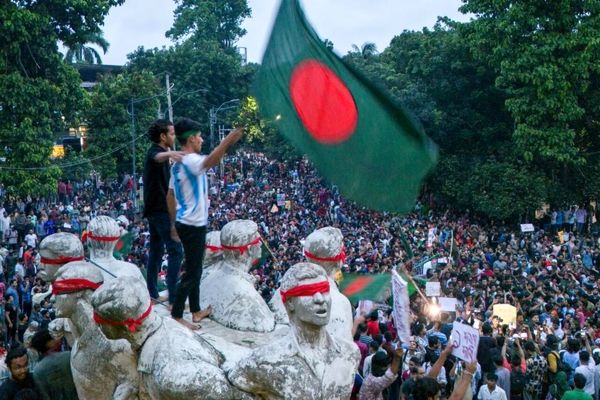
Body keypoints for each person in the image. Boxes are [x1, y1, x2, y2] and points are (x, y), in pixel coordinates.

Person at [167, 118, 243, 330]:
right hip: (193, 224)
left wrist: (174, 222)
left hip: (185, 221)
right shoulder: (190, 160)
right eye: (199, 136)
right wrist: (226, 142)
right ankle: (177, 314)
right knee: (192, 272)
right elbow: (209, 162)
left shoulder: (178, 163)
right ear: (191, 138)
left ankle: (196, 310)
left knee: (195, 267)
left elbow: (170, 195)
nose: (201, 140)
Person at [142, 119, 184, 305]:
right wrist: (173, 154)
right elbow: (157, 158)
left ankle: (152, 291)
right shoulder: (155, 152)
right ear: (163, 136)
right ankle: (174, 296)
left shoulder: (163, 153)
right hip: (159, 210)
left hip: (155, 209)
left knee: (157, 250)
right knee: (175, 250)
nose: (174, 137)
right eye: (172, 133)